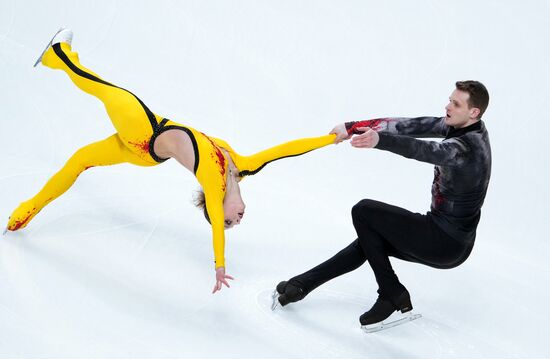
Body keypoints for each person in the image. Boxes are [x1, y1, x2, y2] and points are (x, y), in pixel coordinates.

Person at [5, 28, 337, 293]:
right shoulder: (243, 166)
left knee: (104, 89)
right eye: (233, 223)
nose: (237, 220)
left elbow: (216, 237)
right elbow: (286, 150)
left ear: (214, 205)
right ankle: (23, 214)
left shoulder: (214, 182)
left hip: (142, 134)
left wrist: (220, 266)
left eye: (228, 222)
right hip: (146, 147)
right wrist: (331, 138)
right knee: (79, 160)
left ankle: (58, 54)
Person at [274, 80, 491, 327]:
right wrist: (352, 127)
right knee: (369, 240)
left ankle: (391, 291)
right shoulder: (463, 125)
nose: (447, 106)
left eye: (455, 103)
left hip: (444, 241)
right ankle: (301, 285)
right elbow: (407, 125)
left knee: (364, 211)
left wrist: (379, 141)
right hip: (446, 237)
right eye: (449, 100)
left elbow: (423, 149)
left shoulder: (468, 148)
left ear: (474, 112)